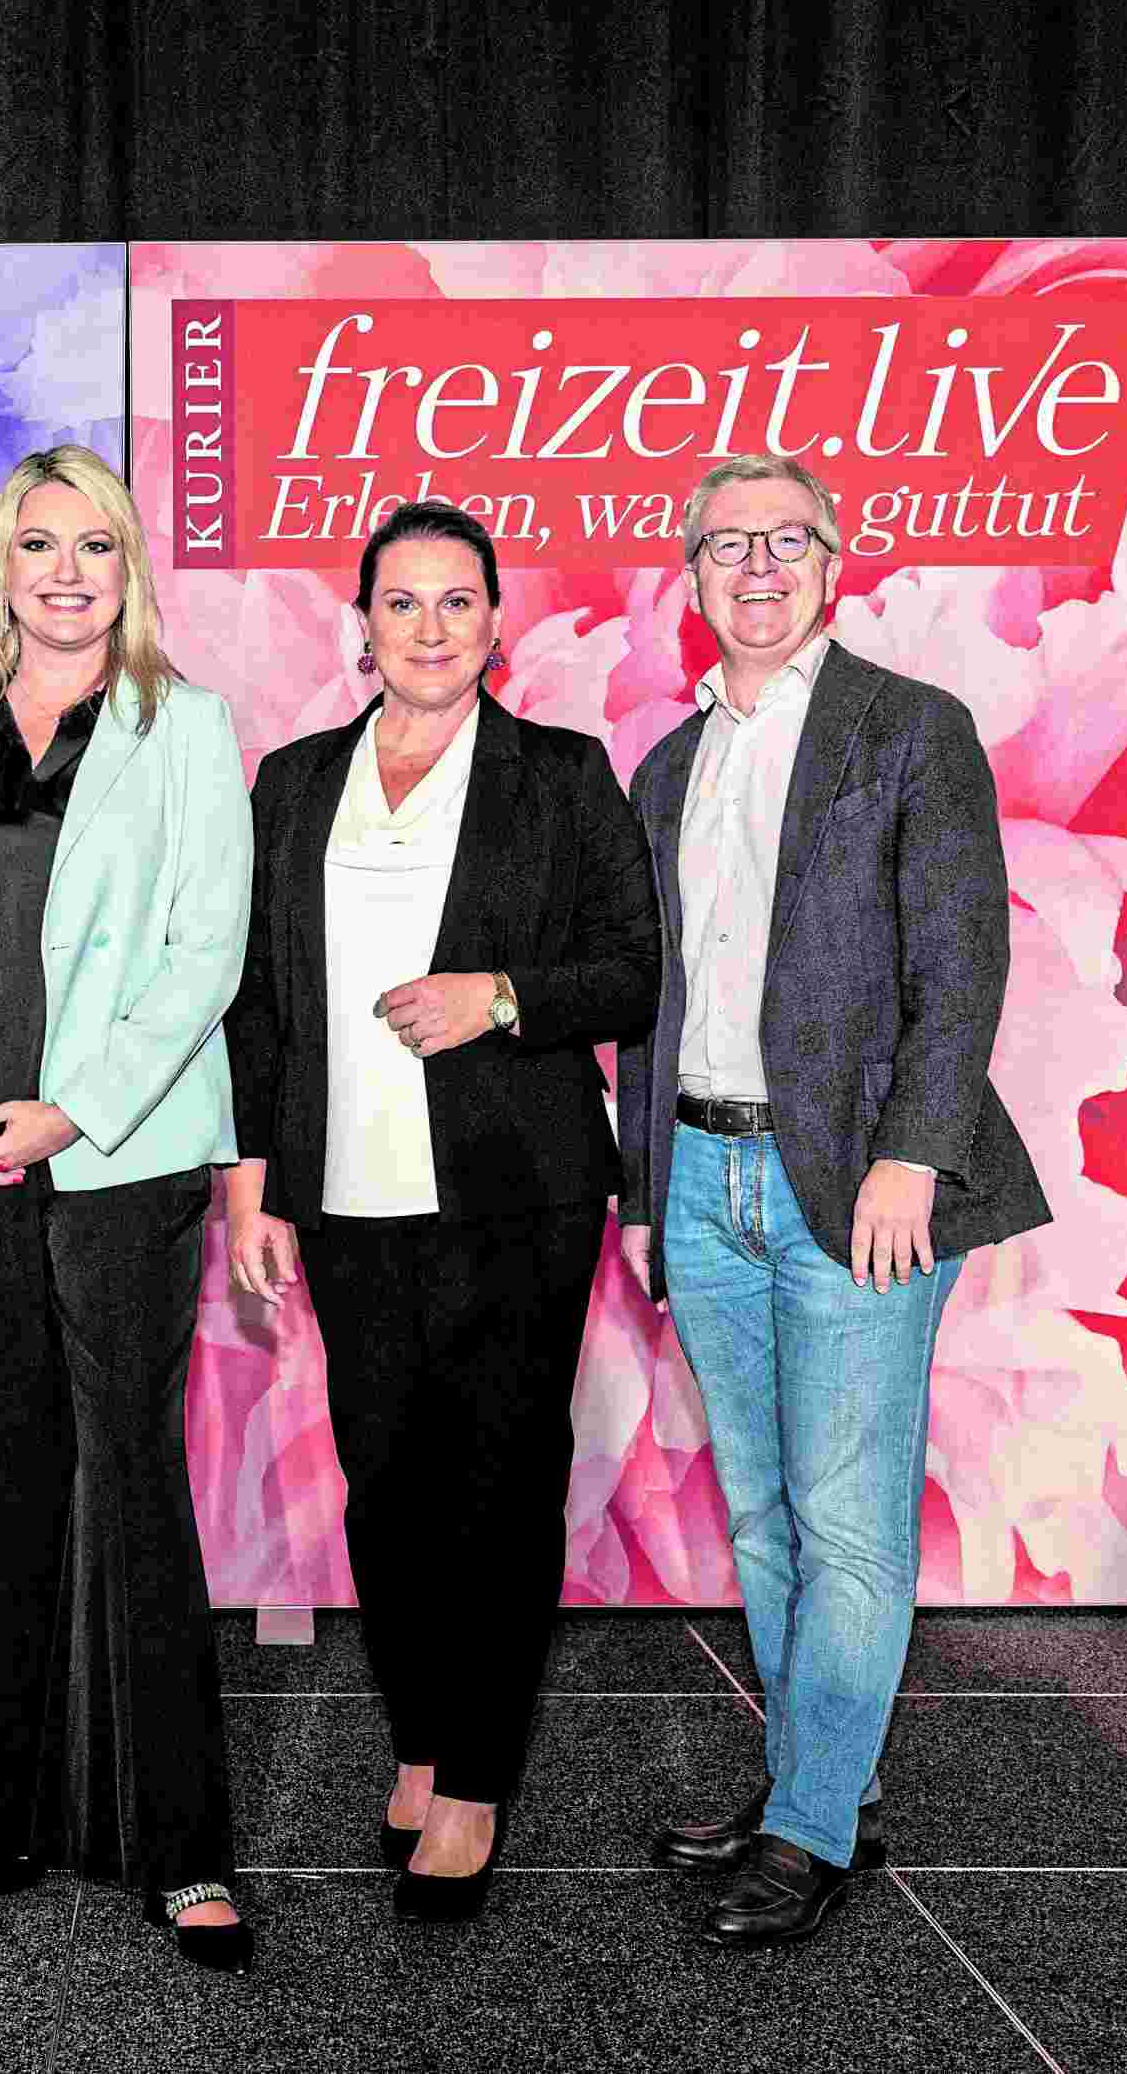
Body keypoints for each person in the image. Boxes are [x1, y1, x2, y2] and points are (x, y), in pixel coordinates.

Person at [619, 451, 1052, 1950]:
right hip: (700, 1175)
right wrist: (644, 1183)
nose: (756, 566)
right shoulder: (669, 767)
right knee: (761, 1517)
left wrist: (913, 1155)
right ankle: (825, 1785)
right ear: (689, 574)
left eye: (784, 539)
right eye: (726, 543)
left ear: (833, 560)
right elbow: (654, 1002)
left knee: (850, 1521)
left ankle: (808, 1831)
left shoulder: (911, 729)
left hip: (864, 1185)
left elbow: (963, 961)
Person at [216, 501, 654, 1923]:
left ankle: (473, 1780)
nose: (429, 626)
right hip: (347, 1197)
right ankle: (418, 1738)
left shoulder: (562, 775)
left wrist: (502, 997)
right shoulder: (294, 782)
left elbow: (632, 971)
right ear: (362, 627)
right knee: (388, 1481)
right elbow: (258, 1000)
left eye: (457, 601)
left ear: (496, 624)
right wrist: (255, 1183)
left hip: (519, 1196)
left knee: (501, 1486)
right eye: (400, 602)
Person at [0, 444, 259, 1973]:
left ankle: (179, 1848)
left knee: (130, 1486)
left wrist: (72, 1108)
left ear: (128, 567)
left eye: (97, 545)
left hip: (116, 1159)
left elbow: (205, 954)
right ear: (1, 568)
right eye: (41, 544)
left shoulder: (185, 726)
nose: (69, 573)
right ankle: (3, 1807)